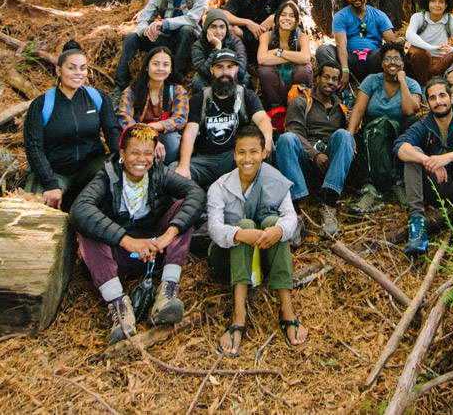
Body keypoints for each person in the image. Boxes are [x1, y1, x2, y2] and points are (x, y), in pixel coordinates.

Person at [69, 124, 205, 344]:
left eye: (147, 154)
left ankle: (167, 292)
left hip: (154, 250)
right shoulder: (107, 175)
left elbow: (195, 193)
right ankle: (119, 307)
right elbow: (79, 210)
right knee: (87, 230)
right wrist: (127, 241)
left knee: (183, 210)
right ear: (122, 154)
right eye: (134, 153)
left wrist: (168, 235)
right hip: (120, 255)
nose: (141, 160)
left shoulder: (159, 172)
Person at [206, 124, 307, 356]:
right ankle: (238, 317)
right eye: (241, 152)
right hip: (227, 262)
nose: (247, 158)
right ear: (234, 155)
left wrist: (278, 231)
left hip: (262, 258)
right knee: (244, 225)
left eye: (254, 152)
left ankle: (287, 311)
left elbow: (290, 218)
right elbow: (213, 228)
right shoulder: (219, 187)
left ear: (263, 153)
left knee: (275, 223)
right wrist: (241, 234)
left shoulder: (276, 181)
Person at [394, 77, 453, 255]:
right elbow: (400, 146)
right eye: (432, 98)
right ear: (427, 103)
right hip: (431, 188)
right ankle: (417, 224)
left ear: (452, 98)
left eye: (442, 96)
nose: (438, 102)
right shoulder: (423, 125)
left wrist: (446, 158)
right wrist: (427, 160)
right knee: (412, 152)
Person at [23, 40, 119, 209]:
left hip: (90, 169)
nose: (78, 73)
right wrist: (50, 183)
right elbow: (34, 147)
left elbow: (113, 134)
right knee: (31, 208)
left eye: (83, 68)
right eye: (72, 68)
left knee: (116, 173)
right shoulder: (41, 105)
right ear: (58, 70)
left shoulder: (98, 98)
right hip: (54, 172)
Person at [273, 61, 354, 238]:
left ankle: (329, 206)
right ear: (317, 79)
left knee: (345, 135)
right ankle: (295, 212)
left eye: (335, 79)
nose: (330, 82)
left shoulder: (340, 108)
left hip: (329, 167)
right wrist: (315, 154)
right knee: (286, 139)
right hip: (305, 165)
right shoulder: (301, 101)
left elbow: (343, 144)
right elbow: (294, 131)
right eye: (326, 77)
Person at [177, 49, 275, 189]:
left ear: (236, 70)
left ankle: (257, 190)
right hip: (206, 161)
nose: (225, 72)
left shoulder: (247, 96)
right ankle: (198, 195)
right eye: (219, 67)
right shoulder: (199, 99)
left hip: (235, 158)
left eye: (229, 67)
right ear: (212, 70)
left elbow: (263, 120)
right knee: (175, 169)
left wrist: (267, 138)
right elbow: (190, 133)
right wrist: (184, 166)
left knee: (264, 147)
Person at [346, 41, 422, 215]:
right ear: (381, 63)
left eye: (397, 59)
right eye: (388, 59)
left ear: (403, 63)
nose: (392, 62)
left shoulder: (411, 84)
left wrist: (402, 81)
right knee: (353, 142)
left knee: (413, 122)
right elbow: (358, 110)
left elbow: (410, 110)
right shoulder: (372, 81)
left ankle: (399, 182)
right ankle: (369, 189)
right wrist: (350, 136)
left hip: (398, 136)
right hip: (371, 133)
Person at [114, 0, 208, 89]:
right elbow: (143, 20)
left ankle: (175, 78)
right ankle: (121, 85)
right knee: (131, 38)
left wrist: (163, 23)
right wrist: (145, 31)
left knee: (186, 29)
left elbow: (192, 20)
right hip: (167, 38)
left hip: (189, 40)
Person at [316, 0, 397, 86]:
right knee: (323, 50)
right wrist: (345, 70)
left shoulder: (379, 15)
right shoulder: (341, 16)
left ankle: (388, 84)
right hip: (350, 59)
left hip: (373, 60)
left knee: (390, 48)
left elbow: (392, 41)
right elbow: (341, 44)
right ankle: (335, 84)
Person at [117, 47, 190, 165]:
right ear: (147, 67)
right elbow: (124, 118)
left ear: (171, 69)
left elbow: (180, 119)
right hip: (136, 137)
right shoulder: (132, 91)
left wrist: (153, 127)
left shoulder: (177, 91)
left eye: (165, 65)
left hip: (163, 139)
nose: (160, 69)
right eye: (156, 64)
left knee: (173, 139)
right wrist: (147, 137)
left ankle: (163, 171)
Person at [257, 0, 314, 118]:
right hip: (275, 88)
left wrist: (279, 52)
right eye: (283, 15)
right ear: (277, 19)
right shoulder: (267, 36)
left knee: (304, 68)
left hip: (295, 86)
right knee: (265, 70)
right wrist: (293, 57)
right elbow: (262, 59)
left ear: (297, 21)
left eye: (291, 16)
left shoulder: (302, 37)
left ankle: (299, 105)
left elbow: (305, 58)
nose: (287, 19)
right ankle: (276, 109)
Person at [189, 9, 249, 94]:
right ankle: (206, 104)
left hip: (230, 78)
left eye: (222, 27)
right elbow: (204, 72)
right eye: (213, 27)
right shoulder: (198, 45)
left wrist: (225, 74)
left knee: (244, 77)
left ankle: (237, 103)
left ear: (226, 28)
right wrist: (217, 48)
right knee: (197, 81)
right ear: (207, 29)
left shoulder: (235, 42)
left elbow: (241, 70)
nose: (218, 31)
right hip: (210, 79)